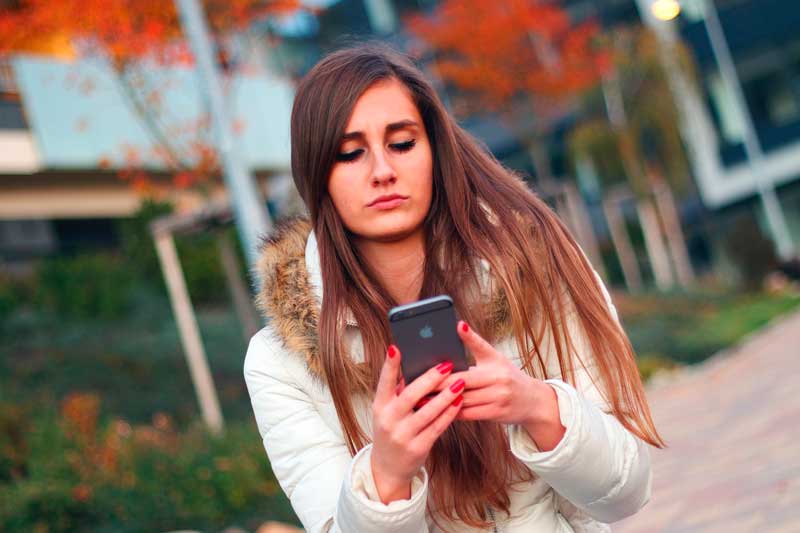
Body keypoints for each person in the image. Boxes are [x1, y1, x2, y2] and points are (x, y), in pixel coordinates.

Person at [244, 42, 665, 533]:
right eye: (351, 153)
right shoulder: (279, 364)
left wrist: (538, 407)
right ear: (316, 173)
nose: (382, 171)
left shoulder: (535, 266)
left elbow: (627, 492)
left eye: (402, 144)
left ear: (434, 149)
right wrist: (386, 475)